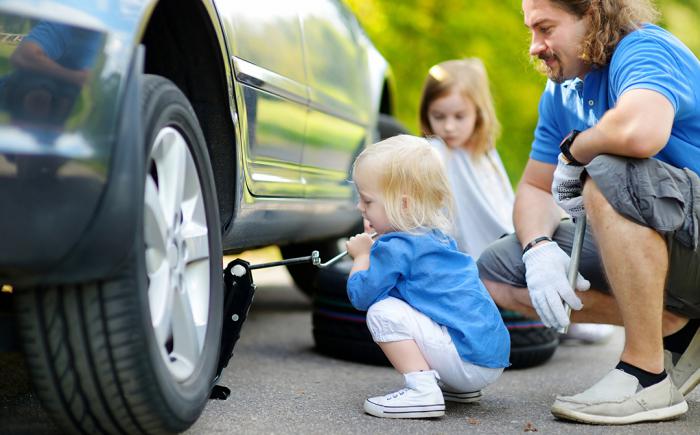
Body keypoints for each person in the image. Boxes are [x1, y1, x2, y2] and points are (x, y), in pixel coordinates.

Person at [477, 0, 700, 424]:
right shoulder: (561, 92)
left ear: (594, 16)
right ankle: (678, 327)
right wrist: (539, 248)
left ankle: (645, 376)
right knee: (499, 269)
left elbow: (640, 132)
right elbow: (533, 189)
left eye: (545, 28)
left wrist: (575, 152)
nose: (534, 46)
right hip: (676, 251)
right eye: (531, 31)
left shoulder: (645, 50)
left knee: (606, 169)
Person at [421, 58, 613, 343]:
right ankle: (556, 318)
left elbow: (503, 204)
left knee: (552, 256)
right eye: (439, 116)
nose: (448, 127)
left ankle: (566, 316)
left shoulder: (484, 155)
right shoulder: (434, 153)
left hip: (499, 239)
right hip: (469, 257)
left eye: (459, 117)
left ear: (478, 114)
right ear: (427, 114)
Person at [345, 135, 509, 419]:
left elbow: (361, 296)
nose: (360, 207)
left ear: (403, 205)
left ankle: (422, 392)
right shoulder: (437, 239)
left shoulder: (395, 246)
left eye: (368, 200)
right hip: (488, 359)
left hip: (466, 361)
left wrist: (361, 257)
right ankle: (457, 386)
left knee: (381, 311)